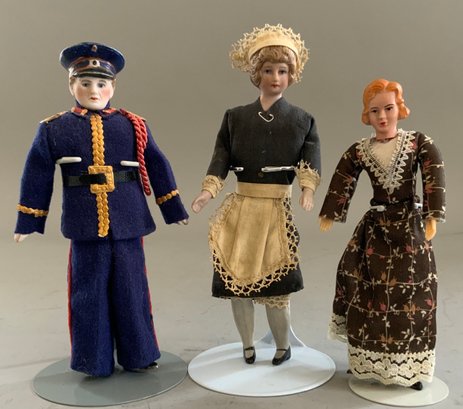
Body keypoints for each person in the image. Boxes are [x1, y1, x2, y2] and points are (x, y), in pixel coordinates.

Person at [14, 42, 189, 377]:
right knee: (88, 294)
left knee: (132, 290)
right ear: (71, 85)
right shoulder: (54, 128)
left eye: (101, 83)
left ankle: (140, 354)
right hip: (84, 223)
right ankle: (92, 361)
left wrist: (173, 208)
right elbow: (37, 173)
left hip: (128, 220)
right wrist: (28, 221)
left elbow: (156, 163)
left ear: (113, 86)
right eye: (85, 83)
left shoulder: (133, 125)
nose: (94, 91)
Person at [192, 24, 321, 365]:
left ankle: (282, 345)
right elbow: (221, 157)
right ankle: (247, 344)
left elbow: (310, 160)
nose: (275, 78)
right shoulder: (235, 118)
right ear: (256, 74)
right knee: (237, 279)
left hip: (276, 209)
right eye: (268, 70)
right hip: (242, 208)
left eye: (282, 71)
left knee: (278, 284)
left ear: (291, 75)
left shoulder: (302, 120)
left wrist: (307, 189)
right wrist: (208, 191)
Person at [319, 79, 445, 390]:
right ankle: (369, 361)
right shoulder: (361, 150)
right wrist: (331, 211)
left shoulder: (417, 142)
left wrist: (432, 215)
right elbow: (344, 174)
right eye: (375, 110)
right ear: (367, 114)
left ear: (399, 109)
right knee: (362, 285)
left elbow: (434, 169)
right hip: (375, 229)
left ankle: (410, 367)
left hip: (409, 229)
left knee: (411, 294)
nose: (383, 116)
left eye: (388, 108)